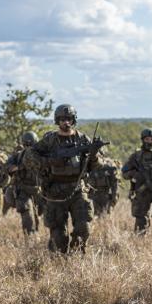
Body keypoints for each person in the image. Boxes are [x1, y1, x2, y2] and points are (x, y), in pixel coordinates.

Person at [25, 104, 103, 253]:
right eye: (62, 119)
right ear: (57, 120)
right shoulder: (50, 140)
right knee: (58, 235)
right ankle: (60, 260)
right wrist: (50, 162)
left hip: (77, 189)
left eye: (68, 119)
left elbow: (96, 165)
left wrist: (93, 155)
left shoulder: (82, 139)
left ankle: (76, 255)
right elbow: (29, 157)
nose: (65, 122)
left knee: (83, 228)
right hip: (55, 191)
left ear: (73, 120)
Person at [7, 131, 45, 235]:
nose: (28, 147)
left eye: (31, 144)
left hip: (38, 191)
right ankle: (30, 238)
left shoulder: (41, 156)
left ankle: (35, 236)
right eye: (26, 145)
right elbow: (9, 168)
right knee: (27, 215)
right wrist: (21, 166)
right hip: (23, 190)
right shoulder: (18, 156)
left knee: (37, 215)